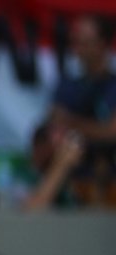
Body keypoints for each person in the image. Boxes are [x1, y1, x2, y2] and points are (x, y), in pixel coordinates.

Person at [46, 13, 116, 207]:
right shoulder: (67, 84)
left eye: (85, 43)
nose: (78, 50)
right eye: (75, 42)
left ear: (102, 44)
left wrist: (71, 123)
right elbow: (54, 128)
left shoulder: (113, 85)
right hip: (71, 181)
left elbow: (112, 132)